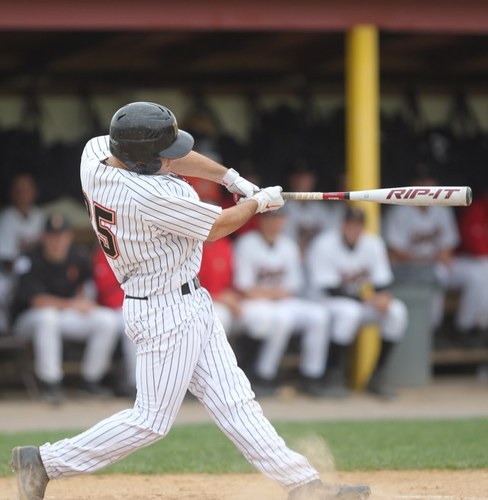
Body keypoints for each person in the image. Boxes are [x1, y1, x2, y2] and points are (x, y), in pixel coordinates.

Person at [11, 102, 370, 500]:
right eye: (163, 153)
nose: (174, 156)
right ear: (143, 161)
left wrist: (232, 178)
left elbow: (172, 157)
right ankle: (43, 462)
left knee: (236, 402)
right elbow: (217, 226)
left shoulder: (96, 154)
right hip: (164, 310)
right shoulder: (149, 196)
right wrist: (257, 204)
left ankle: (303, 485)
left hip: (187, 299)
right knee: (150, 421)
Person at [10, 212, 121, 404]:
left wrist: (83, 301)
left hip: (64, 315)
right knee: (47, 316)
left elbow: (84, 287)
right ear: (44, 236)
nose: (57, 241)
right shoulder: (30, 258)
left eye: (61, 235)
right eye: (52, 236)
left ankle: (90, 381)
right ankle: (50, 382)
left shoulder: (77, 255)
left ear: (69, 236)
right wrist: (72, 304)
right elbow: (36, 301)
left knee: (107, 320)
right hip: (28, 321)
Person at [306, 206, 408, 399]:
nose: (354, 228)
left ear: (363, 226)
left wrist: (384, 296)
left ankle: (378, 376)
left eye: (358, 224)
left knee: (397, 312)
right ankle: (332, 375)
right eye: (350, 224)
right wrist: (370, 298)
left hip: (357, 300)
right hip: (322, 301)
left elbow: (382, 280)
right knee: (349, 312)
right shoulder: (325, 244)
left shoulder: (372, 243)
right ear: (342, 224)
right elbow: (330, 288)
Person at [382, 170, 487, 347]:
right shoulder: (399, 211)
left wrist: (437, 257)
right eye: (422, 184)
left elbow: (448, 247)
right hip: (408, 270)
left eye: (430, 184)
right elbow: (395, 252)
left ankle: (466, 327)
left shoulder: (441, 210)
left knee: (480, 271)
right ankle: (433, 331)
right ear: (412, 187)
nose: (427, 188)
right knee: (436, 275)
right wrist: (428, 259)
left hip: (436, 264)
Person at [233, 209, 331, 398]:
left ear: (284, 220)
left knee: (319, 316)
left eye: (278, 218)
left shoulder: (288, 245)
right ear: (261, 220)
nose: (275, 223)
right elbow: (245, 288)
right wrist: (273, 294)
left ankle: (311, 375)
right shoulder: (247, 243)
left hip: (282, 300)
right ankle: (264, 374)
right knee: (281, 319)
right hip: (254, 303)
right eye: (270, 218)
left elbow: (293, 286)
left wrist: (276, 294)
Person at [92, 245, 137, 397]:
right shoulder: (107, 250)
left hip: (136, 304)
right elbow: (105, 290)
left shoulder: (139, 249)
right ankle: (135, 383)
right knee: (131, 322)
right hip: (110, 307)